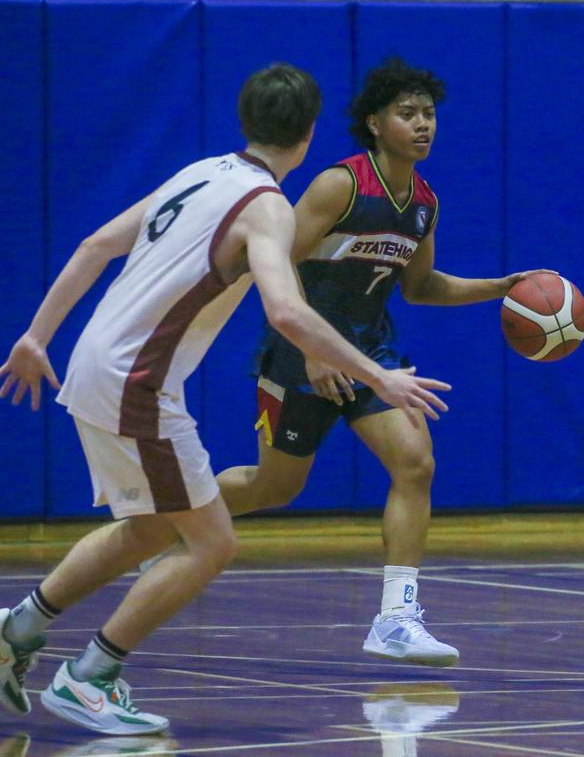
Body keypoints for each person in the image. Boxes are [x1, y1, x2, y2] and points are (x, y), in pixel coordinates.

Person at [0, 63, 451, 736]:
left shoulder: (200, 172)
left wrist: (36, 336)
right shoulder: (268, 206)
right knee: (211, 544)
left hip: (93, 365)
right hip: (138, 381)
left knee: (153, 528)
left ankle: (11, 629)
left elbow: (95, 244)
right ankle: (90, 678)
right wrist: (381, 375)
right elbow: (285, 311)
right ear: (309, 134)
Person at [216, 59, 554, 667]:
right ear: (374, 123)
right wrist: (312, 349)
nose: (422, 125)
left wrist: (499, 287)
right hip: (300, 355)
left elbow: (421, 286)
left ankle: (396, 619)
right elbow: (277, 266)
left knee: (416, 462)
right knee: (275, 487)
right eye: (407, 113)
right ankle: (164, 521)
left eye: (428, 114)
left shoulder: (423, 202)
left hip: (372, 355)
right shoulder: (339, 185)